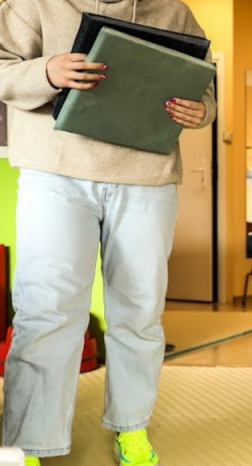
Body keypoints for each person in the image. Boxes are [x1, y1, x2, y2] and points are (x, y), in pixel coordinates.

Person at [0, 1, 216, 465]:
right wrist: (48, 72)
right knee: (46, 310)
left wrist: (203, 111)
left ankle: (132, 429)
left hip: (148, 176)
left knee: (139, 309)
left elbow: (204, 79)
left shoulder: (174, 10)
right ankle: (28, 444)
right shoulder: (34, 2)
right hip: (54, 171)